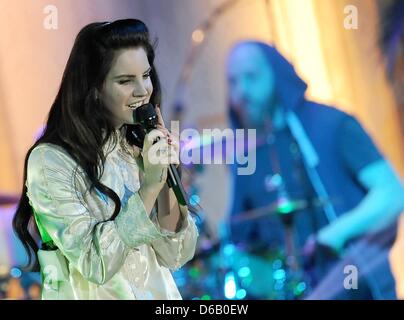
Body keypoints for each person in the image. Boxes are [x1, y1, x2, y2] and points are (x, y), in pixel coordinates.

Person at [12, 19, 198, 300]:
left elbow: (177, 254)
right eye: (125, 81)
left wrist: (163, 182)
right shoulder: (51, 162)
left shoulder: (137, 144)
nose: (142, 90)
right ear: (94, 87)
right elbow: (95, 263)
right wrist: (147, 188)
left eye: (146, 75)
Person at [225, 41, 404, 299]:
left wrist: (335, 234)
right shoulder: (245, 155)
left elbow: (392, 193)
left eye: (251, 76)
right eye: (232, 82)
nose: (241, 91)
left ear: (276, 73)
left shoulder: (330, 124)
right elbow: (242, 239)